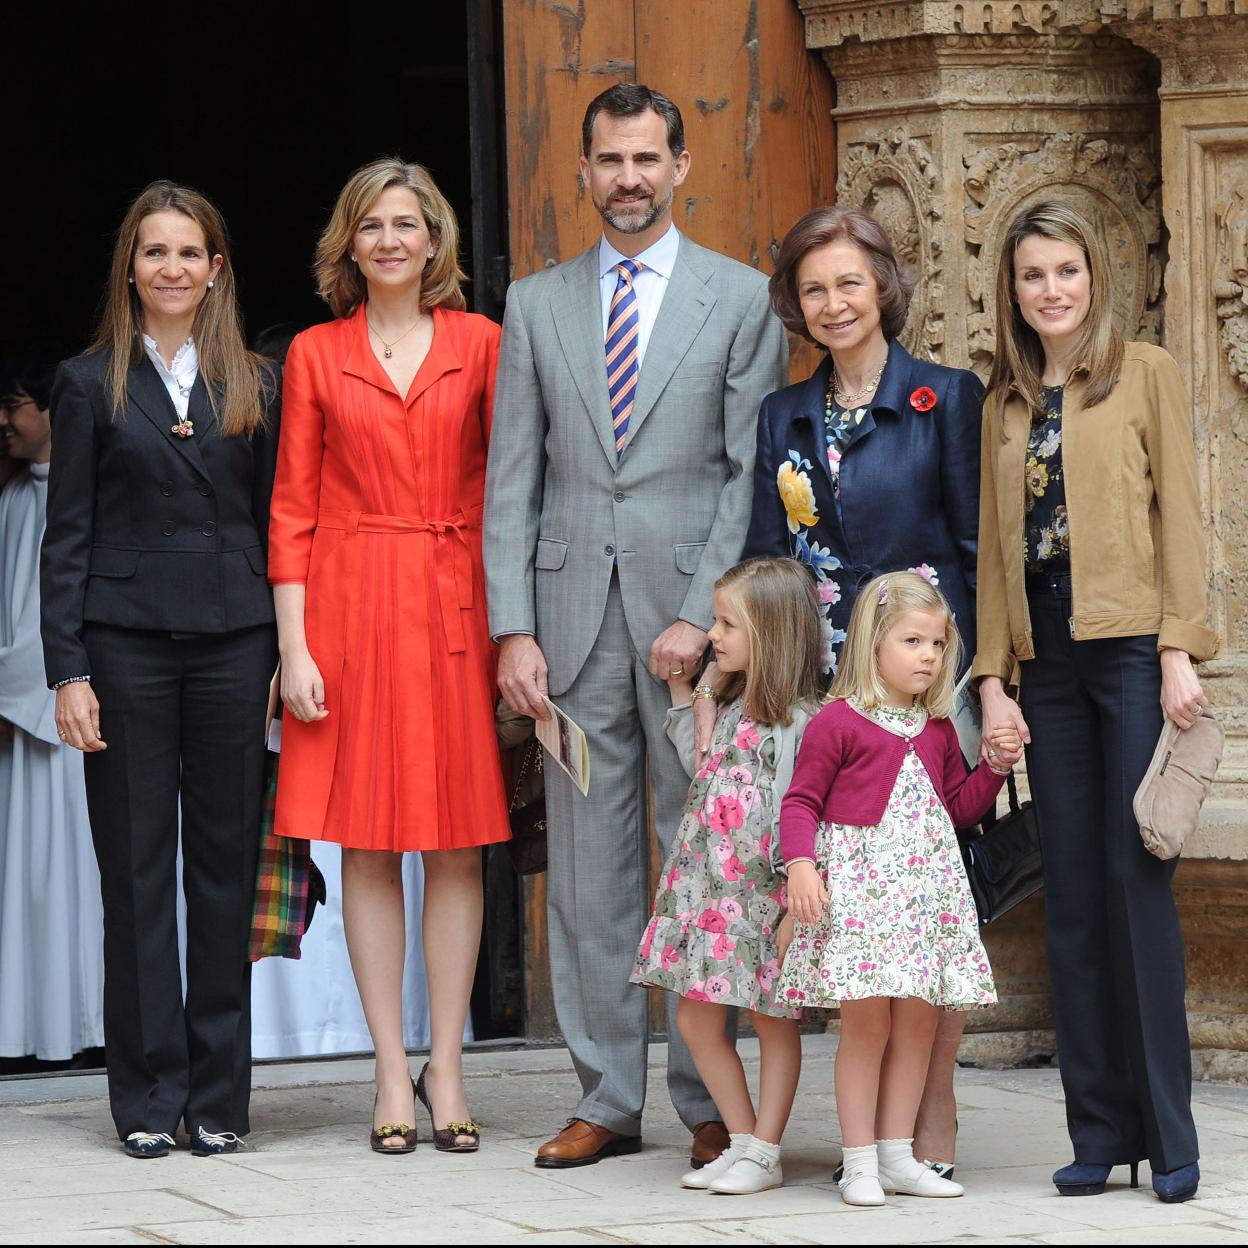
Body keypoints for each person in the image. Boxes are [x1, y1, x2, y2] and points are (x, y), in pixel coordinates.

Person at [485, 81, 788, 1170]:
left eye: (646, 160)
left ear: (681, 164)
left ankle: (708, 1095)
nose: (627, 180)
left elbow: (748, 473)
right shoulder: (535, 303)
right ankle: (607, 1098)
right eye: (609, 162)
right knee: (589, 869)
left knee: (703, 858)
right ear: (583, 171)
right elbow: (514, 476)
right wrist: (512, 626)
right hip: (565, 624)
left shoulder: (743, 297)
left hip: (693, 630)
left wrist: (700, 616)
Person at [727, 204, 985, 1174]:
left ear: (883, 284)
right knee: (854, 913)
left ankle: (935, 1104)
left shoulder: (944, 398)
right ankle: (872, 1129)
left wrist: (982, 683)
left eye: (848, 281)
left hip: (925, 685)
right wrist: (735, 665)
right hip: (827, 701)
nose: (833, 302)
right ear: (796, 305)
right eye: (813, 287)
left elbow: (974, 552)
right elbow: (769, 556)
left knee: (929, 909)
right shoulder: (784, 415)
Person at [974, 200, 1218, 1204]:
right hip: (1049, 660)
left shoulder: (1146, 372)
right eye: (1033, 275)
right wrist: (992, 677)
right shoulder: (1006, 403)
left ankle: (1169, 1137)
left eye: (1066, 270)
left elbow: (1187, 522)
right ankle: (1098, 1128)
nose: (1052, 290)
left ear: (1093, 276)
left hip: (1129, 654)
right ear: (1013, 291)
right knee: (1069, 892)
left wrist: (1180, 651)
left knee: (1136, 881)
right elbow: (994, 551)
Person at [269, 157, 508, 1154]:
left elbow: (511, 484)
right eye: (371, 225)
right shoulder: (316, 355)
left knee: (456, 842)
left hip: (458, 598)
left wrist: (517, 632)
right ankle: (388, 1077)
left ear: (434, 238)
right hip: (351, 607)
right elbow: (290, 507)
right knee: (366, 840)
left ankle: (446, 1067)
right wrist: (294, 649)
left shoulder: (484, 343)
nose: (390, 241)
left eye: (406, 223)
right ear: (349, 243)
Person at [40, 181, 279, 1157]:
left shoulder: (257, 379)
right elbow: (66, 538)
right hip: (127, 645)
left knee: (223, 879)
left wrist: (284, 652)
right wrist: (68, 670)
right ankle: (145, 1101)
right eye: (154, 252)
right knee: (137, 880)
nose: (172, 268)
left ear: (215, 268)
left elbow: (278, 527)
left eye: (189, 252)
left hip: (234, 642)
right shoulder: (86, 379)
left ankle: (218, 1102)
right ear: (129, 268)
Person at [777, 571, 1021, 1206]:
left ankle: (896, 1156)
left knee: (916, 1026)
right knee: (866, 1030)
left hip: (923, 896)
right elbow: (800, 801)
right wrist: (801, 865)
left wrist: (994, 766)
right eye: (913, 641)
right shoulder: (838, 723)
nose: (929, 656)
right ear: (872, 642)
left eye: (938, 645)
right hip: (863, 897)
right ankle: (858, 1159)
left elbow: (958, 808)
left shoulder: (936, 728)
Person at [632, 558, 823, 1195]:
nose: (713, 635)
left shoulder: (799, 723)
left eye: (727, 624)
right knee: (692, 1021)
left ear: (769, 634)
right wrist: (697, 693)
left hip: (764, 899)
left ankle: (766, 1150)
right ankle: (743, 1140)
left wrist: (798, 907)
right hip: (710, 895)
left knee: (773, 1021)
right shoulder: (738, 708)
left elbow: (808, 815)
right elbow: (700, 762)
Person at [0, 345, 104, 1064]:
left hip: (66, 716)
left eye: (13, 406)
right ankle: (26, 1029)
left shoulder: (79, 492)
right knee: (28, 882)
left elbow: (58, 619)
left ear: (50, 413)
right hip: (19, 724)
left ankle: (84, 1027)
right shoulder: (11, 499)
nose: (2, 420)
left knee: (72, 876)